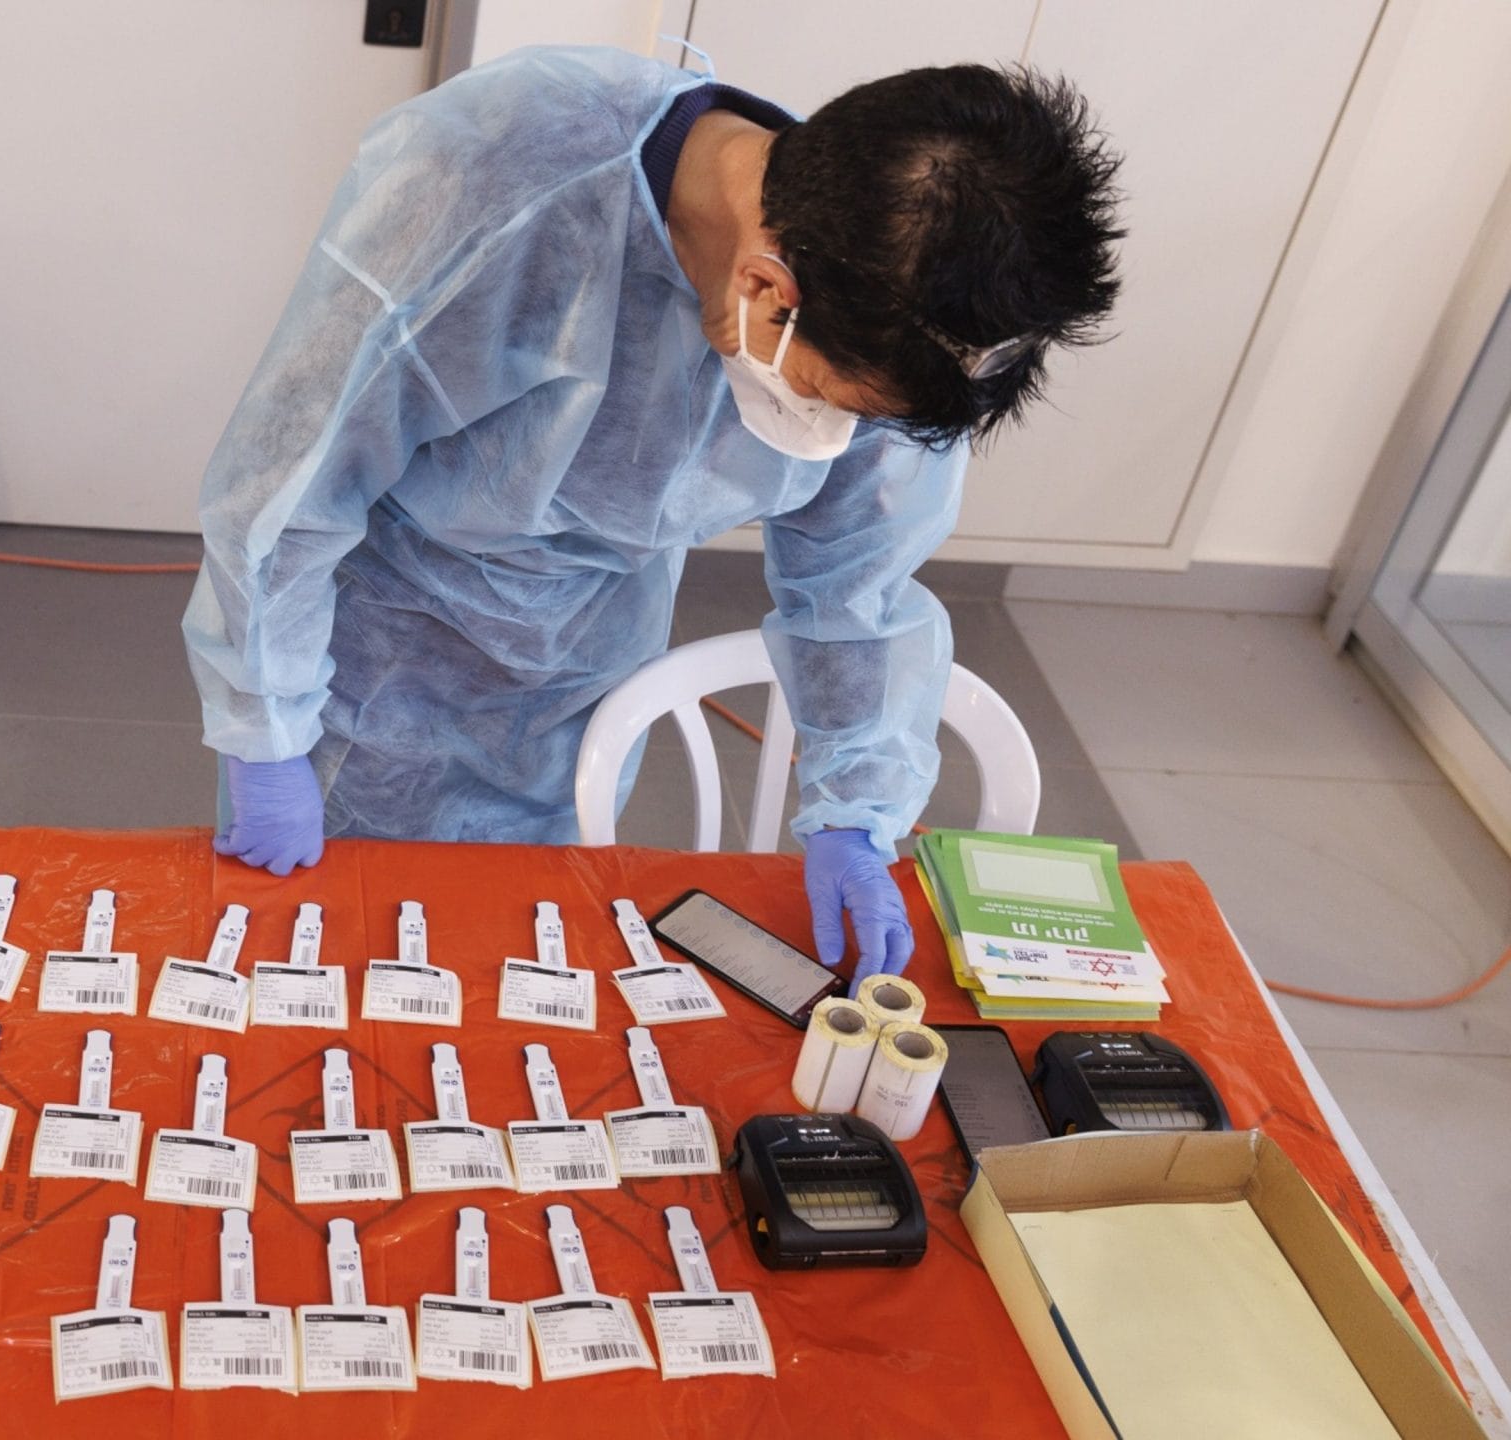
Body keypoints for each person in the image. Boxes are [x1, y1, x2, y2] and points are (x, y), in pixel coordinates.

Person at [181, 48, 1122, 986]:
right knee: (323, 974)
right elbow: (294, 483)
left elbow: (860, 583)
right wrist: (269, 732)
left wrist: (854, 813)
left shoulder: (897, 293)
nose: (847, 436)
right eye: (837, 402)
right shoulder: (496, 174)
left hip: (588, 665)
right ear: (764, 291)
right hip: (373, 670)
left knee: (494, 973)